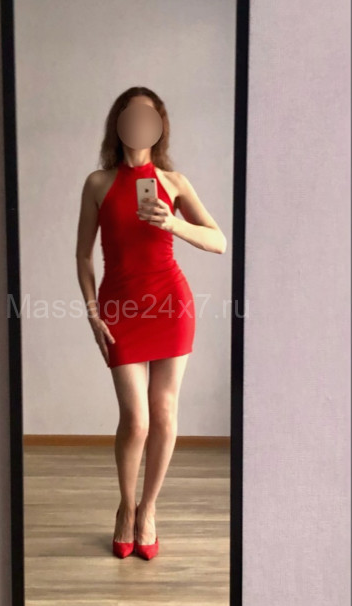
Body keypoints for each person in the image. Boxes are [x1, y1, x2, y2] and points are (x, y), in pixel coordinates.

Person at [76, 87, 227, 559]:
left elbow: (219, 241)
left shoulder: (174, 182)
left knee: (163, 412)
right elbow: (84, 255)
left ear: (159, 126)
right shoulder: (98, 183)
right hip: (119, 308)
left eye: (148, 115)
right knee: (136, 420)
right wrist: (92, 312)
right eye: (131, 114)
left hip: (170, 304)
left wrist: (173, 223)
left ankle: (148, 510)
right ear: (118, 123)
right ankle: (125, 506)